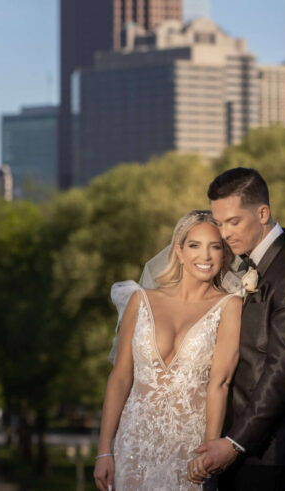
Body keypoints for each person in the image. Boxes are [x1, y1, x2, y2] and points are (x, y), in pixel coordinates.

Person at [187, 167, 285, 490]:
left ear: (263, 213)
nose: (224, 234)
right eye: (220, 223)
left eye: (234, 222)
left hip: (265, 451)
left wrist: (235, 443)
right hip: (229, 442)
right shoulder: (247, 267)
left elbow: (284, 371)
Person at [94, 210, 243, 490]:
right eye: (195, 245)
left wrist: (208, 451)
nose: (206, 256)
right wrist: (104, 450)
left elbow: (219, 384)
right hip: (135, 442)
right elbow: (120, 377)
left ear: (225, 254)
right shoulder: (140, 299)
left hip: (188, 447)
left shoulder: (229, 307)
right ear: (179, 251)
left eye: (215, 247)